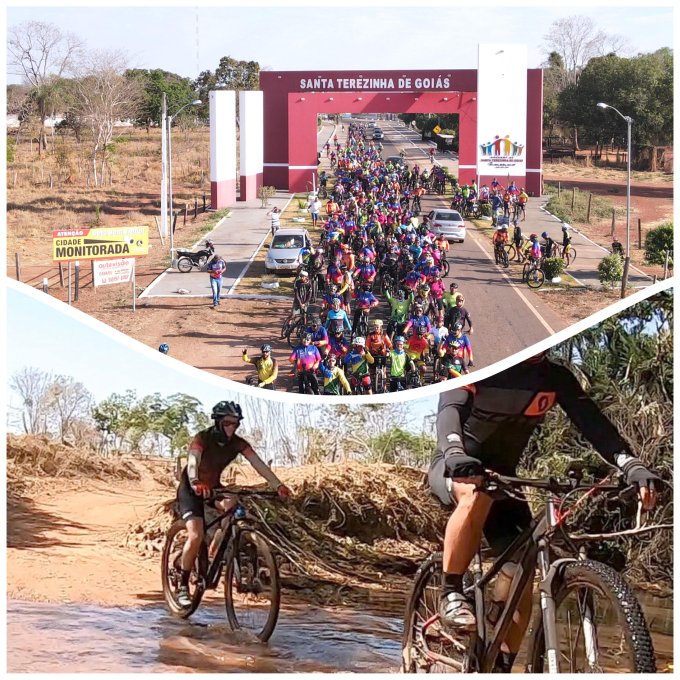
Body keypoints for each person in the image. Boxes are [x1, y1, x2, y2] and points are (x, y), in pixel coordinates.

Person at [427, 353, 660, 672]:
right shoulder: (479, 367)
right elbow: (450, 409)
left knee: (523, 571)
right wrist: (454, 451)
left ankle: (502, 665)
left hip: (505, 478)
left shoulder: (554, 378)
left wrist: (631, 464)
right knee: (476, 494)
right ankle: (451, 591)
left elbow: (594, 424)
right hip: (456, 468)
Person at [175, 401, 291, 608]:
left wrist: (277, 485)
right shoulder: (203, 438)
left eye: (235, 424)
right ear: (218, 422)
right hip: (191, 488)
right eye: (227, 423)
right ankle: (182, 585)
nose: (231, 428)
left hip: (213, 487)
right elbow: (192, 461)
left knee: (234, 507)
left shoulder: (237, 443)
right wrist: (194, 482)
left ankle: (217, 550)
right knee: (195, 534)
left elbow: (258, 464)